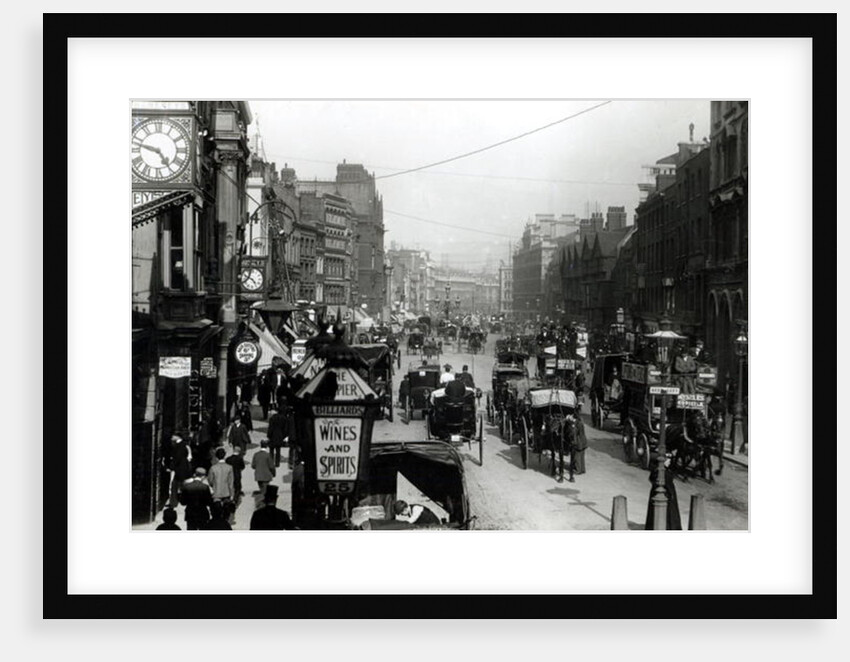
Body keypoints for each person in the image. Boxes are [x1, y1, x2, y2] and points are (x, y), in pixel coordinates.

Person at [644, 454, 682, 530]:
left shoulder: (658, 470)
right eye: (668, 460)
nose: (669, 461)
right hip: (666, 496)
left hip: (660, 494)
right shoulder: (663, 472)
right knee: (669, 515)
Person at [166, 433, 193, 508]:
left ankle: (173, 502)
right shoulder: (185, 445)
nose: (171, 437)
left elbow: (177, 458)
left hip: (177, 469)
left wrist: (171, 467)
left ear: (177, 437)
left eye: (173, 436)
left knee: (173, 486)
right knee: (183, 485)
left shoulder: (178, 446)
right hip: (184, 469)